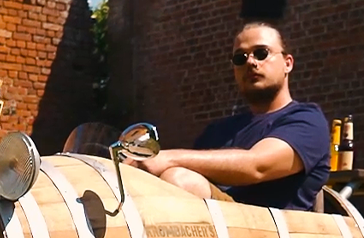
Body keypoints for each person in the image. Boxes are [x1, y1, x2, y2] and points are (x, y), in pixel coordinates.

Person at [128, 21, 332, 211]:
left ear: (287, 63)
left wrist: (166, 157)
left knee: (179, 180)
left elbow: (258, 166)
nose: (251, 62)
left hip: (270, 235)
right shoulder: (219, 130)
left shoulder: (307, 120)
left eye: (261, 53)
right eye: (240, 57)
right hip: (214, 228)